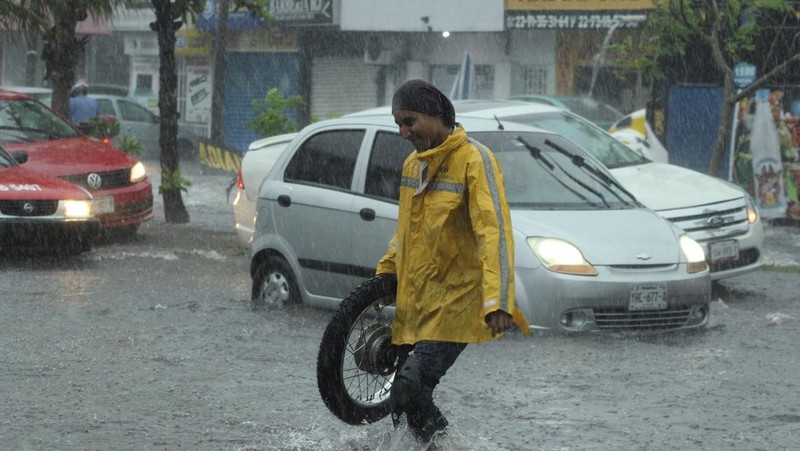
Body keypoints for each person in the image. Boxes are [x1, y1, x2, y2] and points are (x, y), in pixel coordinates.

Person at [375, 79, 530, 444]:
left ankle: (446, 445)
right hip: (418, 303)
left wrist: (499, 301)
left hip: (458, 304)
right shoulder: (413, 165)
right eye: (398, 123)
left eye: (410, 121)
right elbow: (406, 231)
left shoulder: (476, 160)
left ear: (436, 115)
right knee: (402, 402)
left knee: (409, 390)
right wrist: (386, 272)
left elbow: (495, 234)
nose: (403, 132)